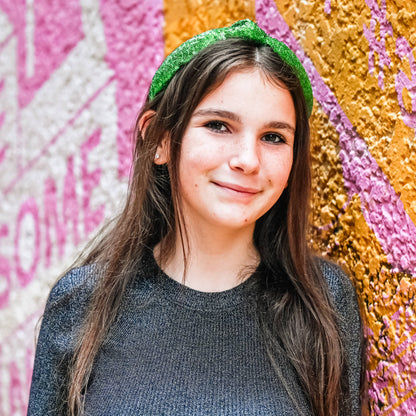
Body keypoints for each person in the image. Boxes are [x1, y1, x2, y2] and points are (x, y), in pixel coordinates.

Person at [28, 19, 362, 416]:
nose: (247, 160)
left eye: (274, 137)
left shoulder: (323, 301)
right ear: (161, 138)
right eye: (219, 126)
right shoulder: (81, 303)